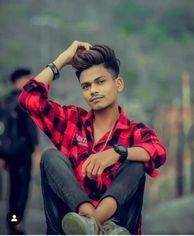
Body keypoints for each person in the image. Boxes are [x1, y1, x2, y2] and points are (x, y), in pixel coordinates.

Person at [18, 41, 167, 235]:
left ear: (118, 84)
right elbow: (29, 100)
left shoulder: (135, 132)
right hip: (71, 227)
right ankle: (89, 221)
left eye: (100, 81)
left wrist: (117, 153)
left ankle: (95, 223)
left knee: (136, 162)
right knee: (50, 157)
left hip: (118, 228)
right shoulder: (72, 121)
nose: (93, 90)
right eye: (86, 86)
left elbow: (159, 152)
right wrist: (63, 59)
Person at [0, 68, 40, 234]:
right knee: (21, 188)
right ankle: (16, 224)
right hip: (22, 152)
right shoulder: (24, 100)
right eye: (26, 78)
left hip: (8, 153)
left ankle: (12, 221)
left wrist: (2, 154)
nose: (29, 80)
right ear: (18, 81)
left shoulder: (4, 101)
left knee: (13, 188)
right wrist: (37, 149)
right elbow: (30, 128)